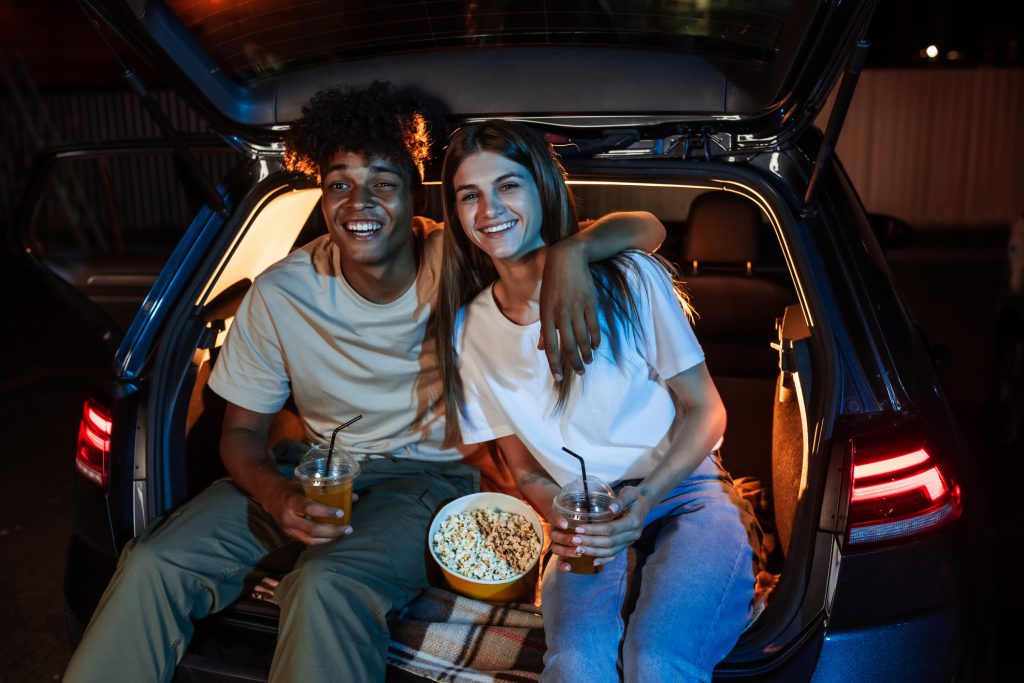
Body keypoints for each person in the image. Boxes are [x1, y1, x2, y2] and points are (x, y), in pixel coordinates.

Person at [62, 83, 666, 683]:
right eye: (340, 184)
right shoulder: (281, 291)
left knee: (327, 582)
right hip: (312, 466)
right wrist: (278, 495)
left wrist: (573, 254)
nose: (360, 202)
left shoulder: (461, 258)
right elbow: (241, 434)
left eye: (383, 182)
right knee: (152, 560)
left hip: (431, 478)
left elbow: (644, 228)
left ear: (414, 193)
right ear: (322, 196)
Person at [436, 120, 762, 682]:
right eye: (471, 194)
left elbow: (707, 410)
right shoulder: (469, 330)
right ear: (456, 212)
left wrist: (646, 499)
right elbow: (521, 468)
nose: (490, 208)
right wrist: (558, 522)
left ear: (541, 187)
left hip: (685, 492)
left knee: (656, 659)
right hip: (584, 513)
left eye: (509, 185)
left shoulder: (628, 276)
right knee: (577, 664)